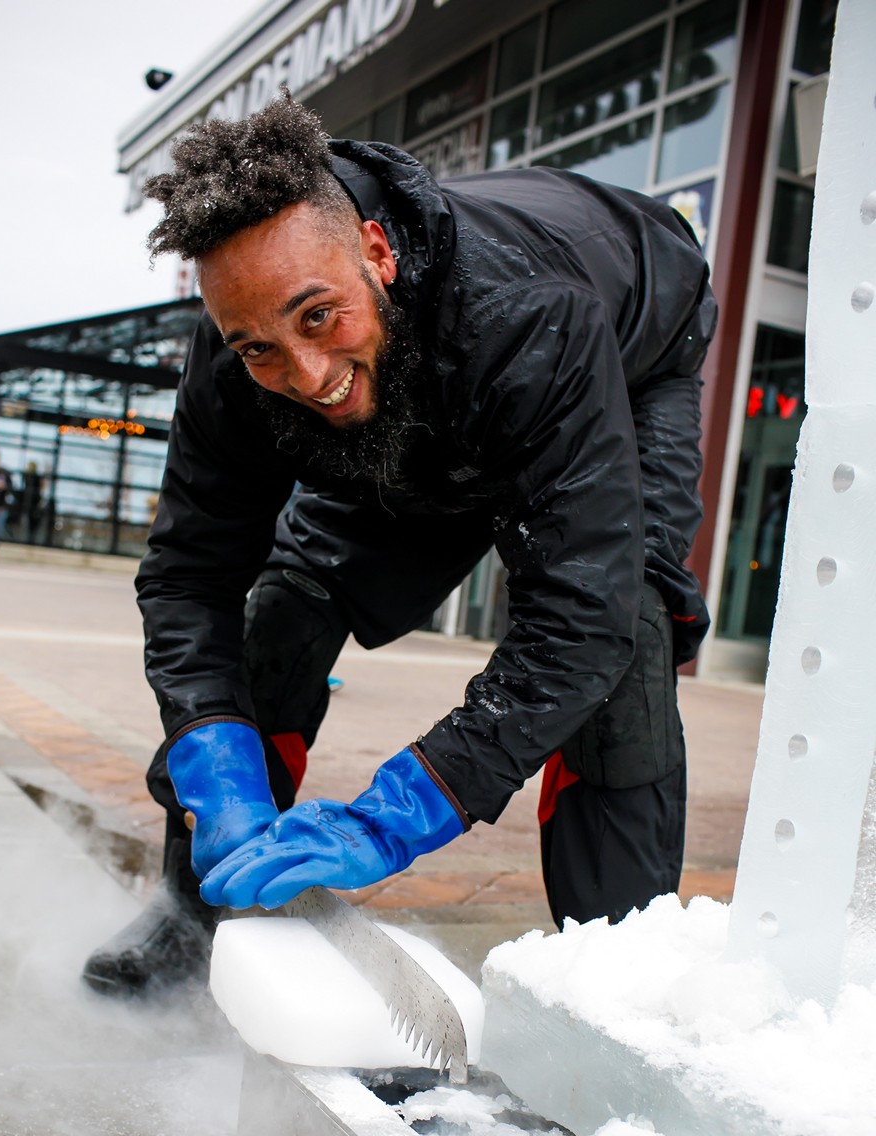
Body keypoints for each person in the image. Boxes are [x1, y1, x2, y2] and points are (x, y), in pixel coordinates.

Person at [83, 93, 716, 1000]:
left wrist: (403, 811)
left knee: (627, 640)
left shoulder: (529, 314)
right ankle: (193, 915)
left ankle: (615, 989)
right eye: (260, 347)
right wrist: (211, 747)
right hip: (424, 390)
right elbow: (191, 576)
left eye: (315, 317)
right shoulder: (243, 354)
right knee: (290, 602)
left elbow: (578, 625)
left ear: (376, 251)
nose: (307, 379)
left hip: (630, 346)